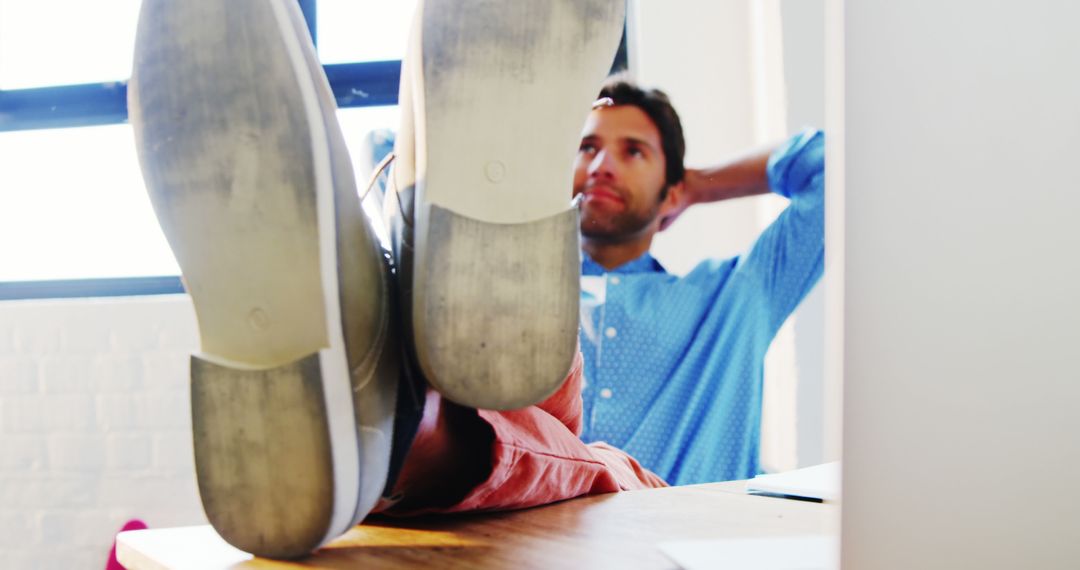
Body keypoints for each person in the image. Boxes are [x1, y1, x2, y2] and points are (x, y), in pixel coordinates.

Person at [572, 79, 825, 485]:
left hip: (683, 544)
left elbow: (832, 167)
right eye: (587, 148)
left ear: (670, 194)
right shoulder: (507, 295)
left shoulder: (735, 298)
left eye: (633, 151)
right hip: (526, 545)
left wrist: (697, 185)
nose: (601, 166)